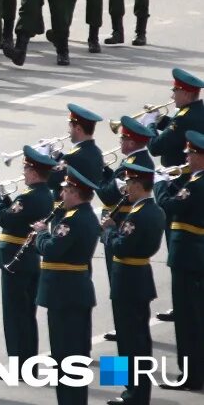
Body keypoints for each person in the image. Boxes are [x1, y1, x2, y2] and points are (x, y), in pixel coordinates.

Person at [33, 166, 102, 405]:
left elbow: (52, 249)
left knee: (65, 356)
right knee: (73, 356)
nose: (61, 196)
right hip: (74, 292)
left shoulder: (72, 221)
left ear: (74, 192)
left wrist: (41, 234)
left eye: (65, 190)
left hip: (65, 295)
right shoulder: (85, 216)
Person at [103, 158, 165, 405]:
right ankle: (138, 393)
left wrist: (108, 229)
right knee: (139, 339)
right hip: (139, 279)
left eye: (128, 183)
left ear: (138, 185)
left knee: (129, 341)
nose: (126, 189)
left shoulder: (137, 215)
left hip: (127, 281)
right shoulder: (155, 210)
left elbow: (122, 245)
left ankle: (130, 393)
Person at [0, 144, 59, 364]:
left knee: (14, 315)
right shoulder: (45, 194)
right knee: (26, 314)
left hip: (15, 258)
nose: (23, 173)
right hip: (29, 257)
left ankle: (18, 364)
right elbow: (18, 217)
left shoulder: (29, 197)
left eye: (25, 169)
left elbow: (5, 219)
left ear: (33, 171)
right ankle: (27, 362)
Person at [159, 130, 204, 392]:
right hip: (194, 256)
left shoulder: (197, 185)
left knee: (188, 320)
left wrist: (159, 184)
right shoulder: (195, 181)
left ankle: (190, 376)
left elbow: (171, 205)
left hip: (187, 257)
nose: (186, 156)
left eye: (190, 153)